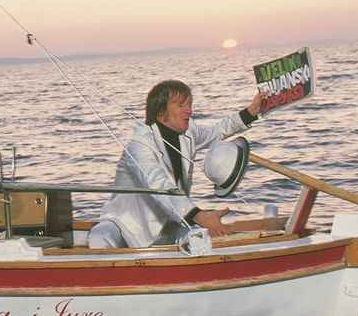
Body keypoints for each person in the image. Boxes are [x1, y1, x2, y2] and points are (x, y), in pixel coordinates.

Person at [87, 79, 265, 249]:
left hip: (166, 226)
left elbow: (217, 131)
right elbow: (158, 184)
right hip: (123, 225)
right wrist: (200, 217)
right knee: (99, 236)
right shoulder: (139, 144)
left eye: (189, 104)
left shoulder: (189, 132)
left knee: (201, 239)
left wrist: (251, 111)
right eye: (181, 105)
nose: (188, 110)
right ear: (160, 112)